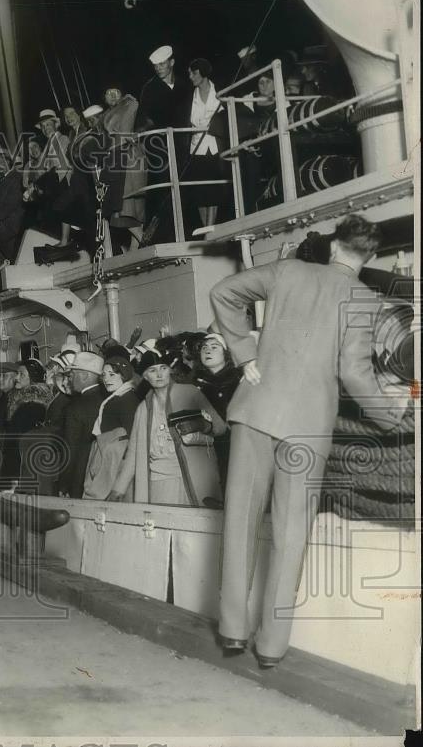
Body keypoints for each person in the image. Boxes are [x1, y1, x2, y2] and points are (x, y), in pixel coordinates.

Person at [211, 215, 411, 668]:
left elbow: (224, 292)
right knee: (291, 533)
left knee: (241, 518)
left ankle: (231, 630)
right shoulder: (364, 298)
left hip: (256, 409)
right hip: (307, 425)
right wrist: (390, 415)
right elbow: (354, 375)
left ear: (333, 245)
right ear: (370, 256)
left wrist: (244, 354)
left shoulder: (287, 271)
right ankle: (271, 647)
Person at [108, 348, 227, 506]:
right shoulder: (143, 409)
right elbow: (133, 454)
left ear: (170, 370)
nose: (158, 374)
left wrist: (200, 424)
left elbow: (220, 427)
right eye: (152, 370)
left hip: (191, 481)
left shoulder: (190, 393)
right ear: (145, 376)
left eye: (163, 368)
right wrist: (118, 490)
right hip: (158, 484)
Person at [135, 45, 191, 244]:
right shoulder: (149, 89)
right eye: (155, 65)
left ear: (172, 62)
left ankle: (188, 233)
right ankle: (165, 237)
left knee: (185, 190)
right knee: (163, 192)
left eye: (162, 64)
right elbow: (144, 118)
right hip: (160, 148)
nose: (158, 68)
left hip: (184, 145)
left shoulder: (185, 85)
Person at [83, 356, 140, 499]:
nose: (106, 379)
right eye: (104, 375)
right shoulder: (119, 397)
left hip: (116, 464)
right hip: (108, 459)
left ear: (124, 375)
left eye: (112, 374)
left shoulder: (126, 400)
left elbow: (133, 439)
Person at [192, 331, 241, 493]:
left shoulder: (239, 381)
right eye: (204, 347)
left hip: (234, 448)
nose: (207, 350)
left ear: (226, 354)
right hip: (202, 450)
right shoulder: (193, 384)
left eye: (214, 347)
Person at [183, 58, 227, 229]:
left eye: (193, 73)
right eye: (189, 73)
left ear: (203, 73)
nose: (190, 76)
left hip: (216, 147)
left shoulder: (220, 92)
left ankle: (210, 228)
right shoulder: (189, 97)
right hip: (197, 148)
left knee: (213, 190)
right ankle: (204, 227)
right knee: (200, 192)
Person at [56, 352, 106, 498]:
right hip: (102, 475)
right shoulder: (107, 399)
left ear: (85, 376)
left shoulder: (75, 407)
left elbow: (70, 450)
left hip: (80, 477)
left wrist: (63, 485)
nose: (69, 380)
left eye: (72, 375)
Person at [0, 148, 26, 270]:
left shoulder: (16, 176)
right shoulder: (1, 180)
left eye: (3, 158)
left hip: (11, 227)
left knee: (13, 260)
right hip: (1, 227)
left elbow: (13, 200)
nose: (0, 161)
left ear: (10, 161)